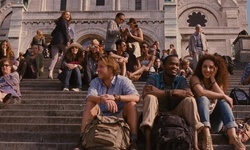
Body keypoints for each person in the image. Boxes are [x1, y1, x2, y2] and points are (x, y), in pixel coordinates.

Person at [140, 54, 204, 150]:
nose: (174, 67)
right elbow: (145, 93)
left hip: (175, 111)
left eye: (177, 65)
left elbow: (189, 94)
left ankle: (195, 145)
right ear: (163, 65)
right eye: (171, 64)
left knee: (190, 100)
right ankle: (148, 144)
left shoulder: (181, 79)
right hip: (157, 111)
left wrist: (161, 92)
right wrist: (172, 92)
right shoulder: (154, 77)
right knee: (150, 98)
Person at [75, 55, 140, 150]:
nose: (97, 70)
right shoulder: (95, 81)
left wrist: (115, 97)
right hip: (100, 114)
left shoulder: (123, 80)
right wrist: (102, 99)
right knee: (90, 104)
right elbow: (89, 97)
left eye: (101, 67)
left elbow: (136, 97)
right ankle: (81, 140)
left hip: (120, 114)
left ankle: (133, 140)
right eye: (97, 67)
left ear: (111, 69)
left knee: (132, 104)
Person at [190, 54, 245, 150]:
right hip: (201, 124)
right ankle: (206, 137)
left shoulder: (218, 81)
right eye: (205, 66)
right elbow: (201, 92)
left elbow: (221, 95)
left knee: (223, 102)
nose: (207, 70)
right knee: (203, 98)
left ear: (216, 69)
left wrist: (212, 79)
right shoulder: (195, 78)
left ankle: (232, 136)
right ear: (200, 67)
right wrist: (224, 95)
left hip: (215, 123)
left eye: (211, 67)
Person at [48, 11, 72, 79]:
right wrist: (67, 40)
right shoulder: (64, 22)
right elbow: (66, 32)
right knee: (68, 54)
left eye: (69, 15)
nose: (68, 16)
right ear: (63, 15)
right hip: (61, 42)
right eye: (67, 14)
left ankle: (50, 72)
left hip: (54, 42)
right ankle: (61, 68)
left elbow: (52, 33)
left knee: (54, 58)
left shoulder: (59, 23)